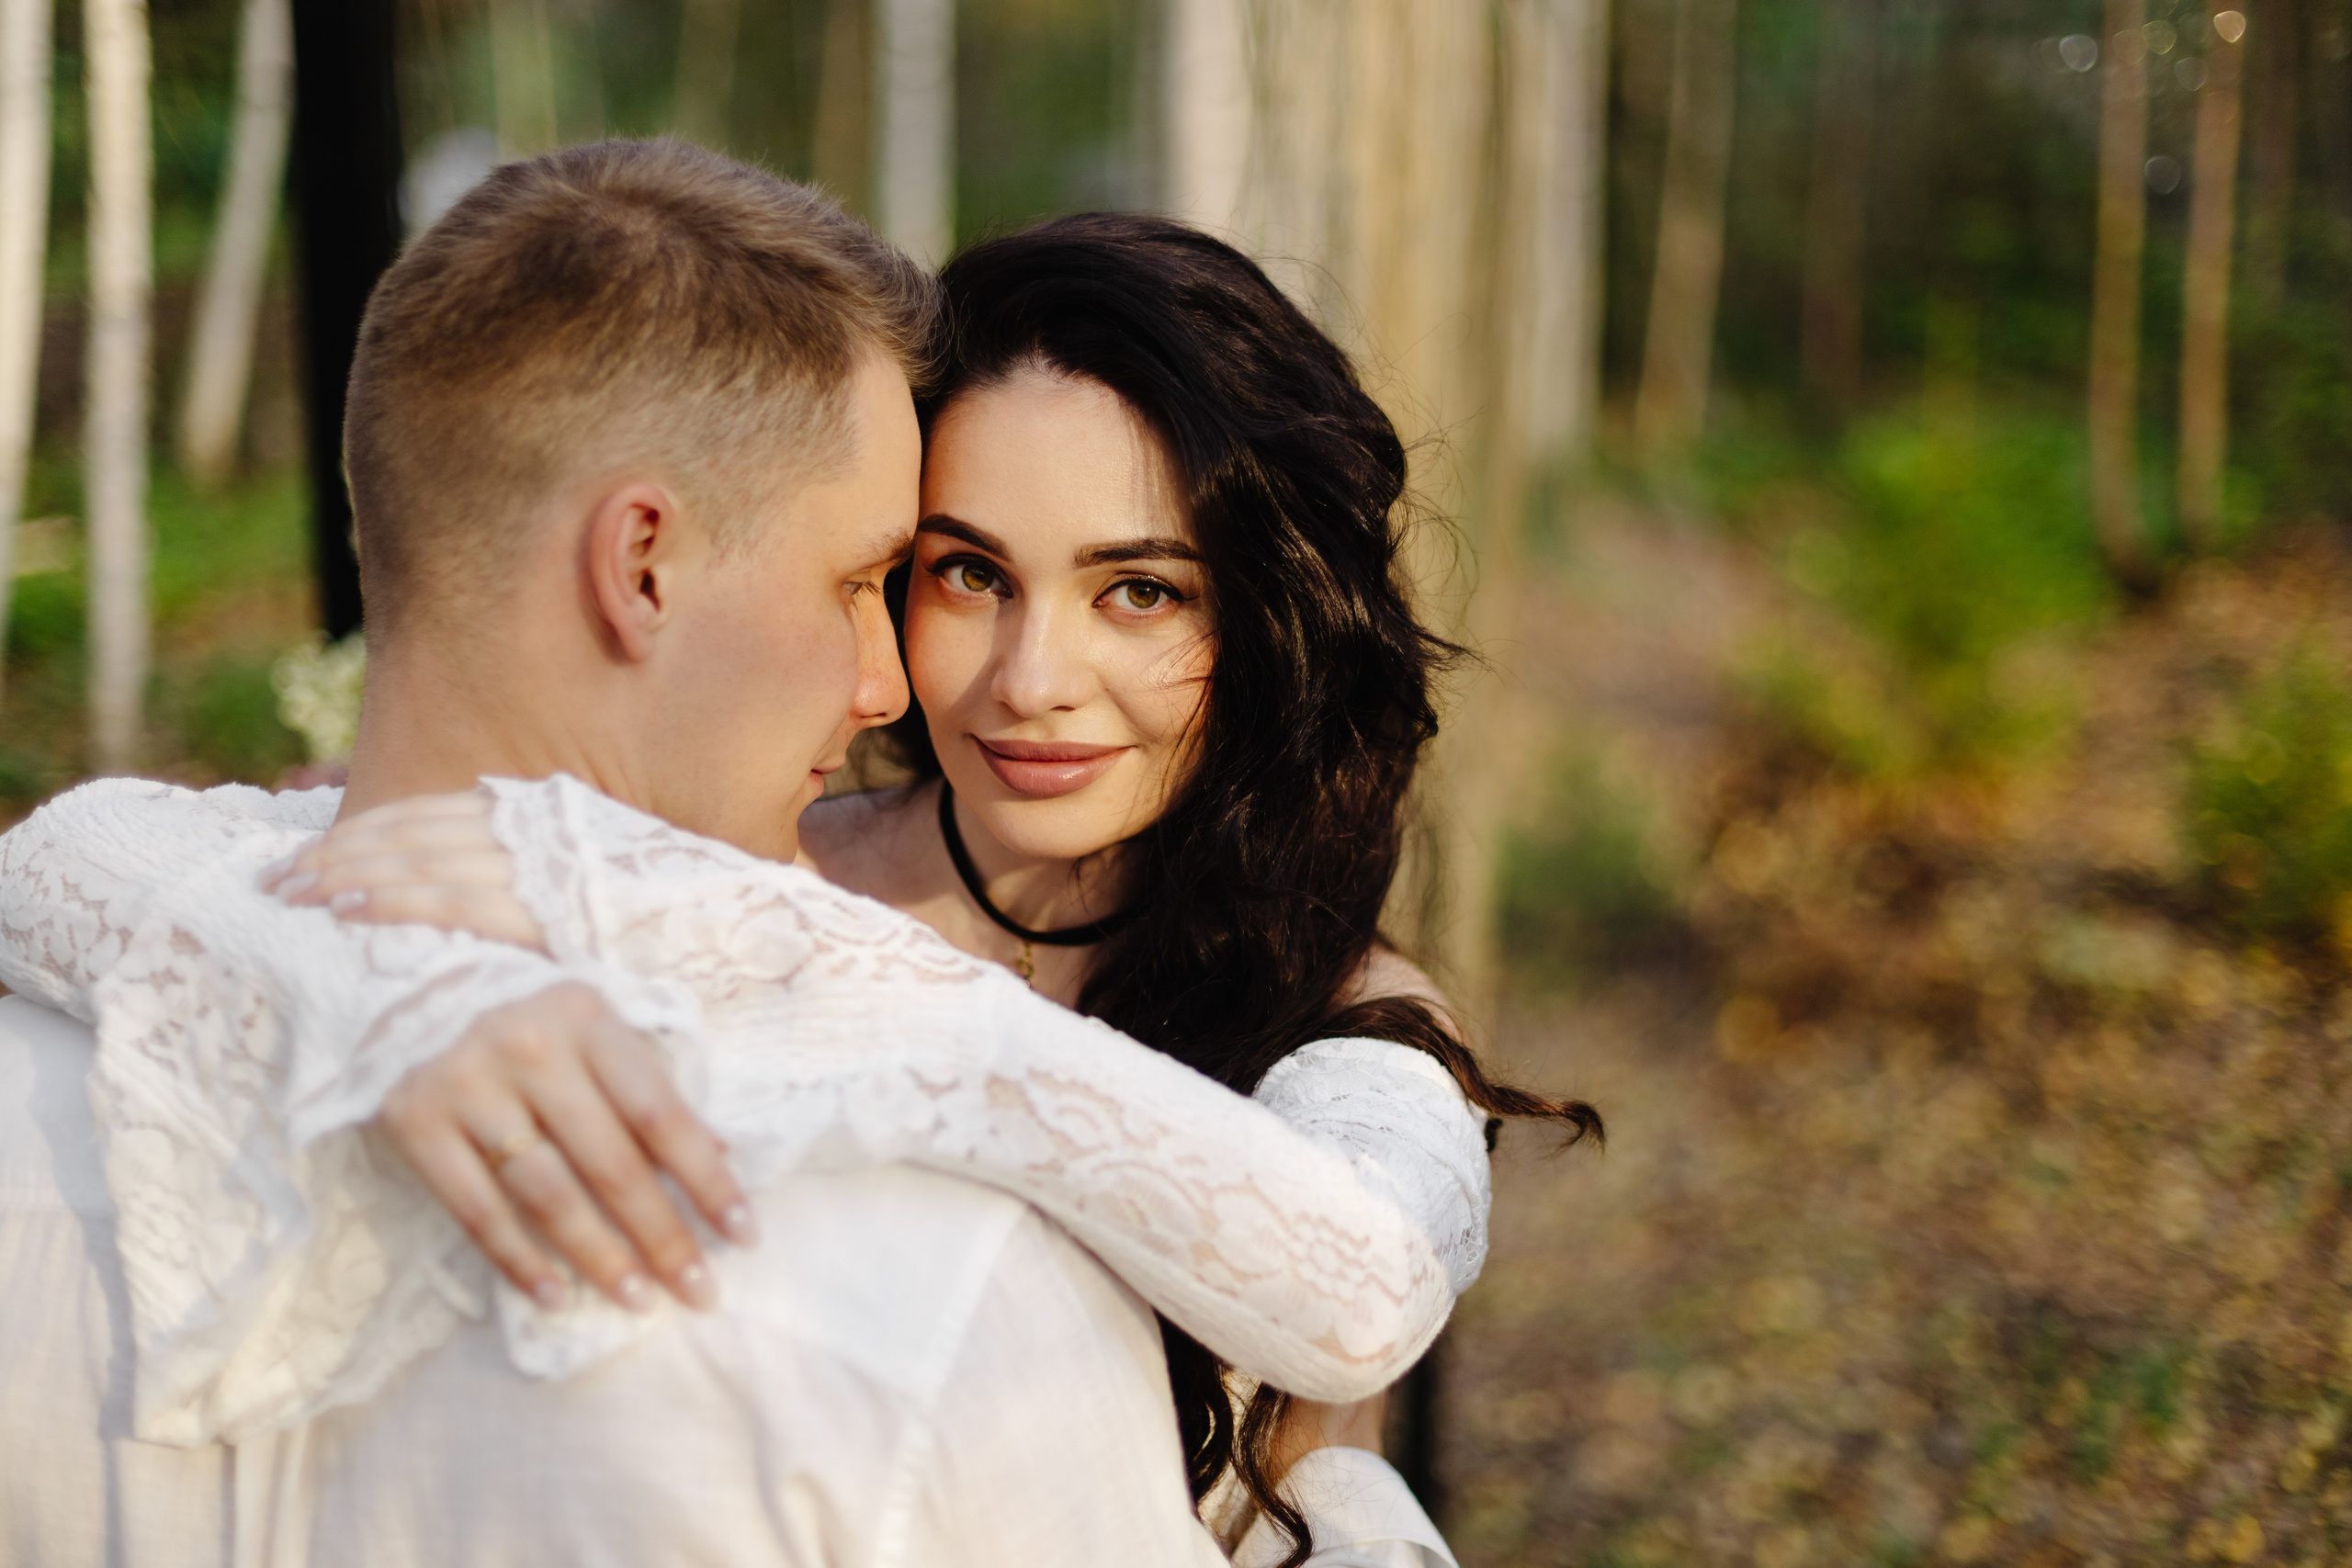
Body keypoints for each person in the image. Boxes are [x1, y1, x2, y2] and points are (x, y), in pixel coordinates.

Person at [0, 143, 1463, 1566]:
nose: (1020, 678)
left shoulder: (1343, 1029)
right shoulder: (948, 1285)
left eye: (1140, 590)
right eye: (940, 573)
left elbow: (1359, 1275)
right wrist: (1346, 1491)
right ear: (643, 563)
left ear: (1271, 616)